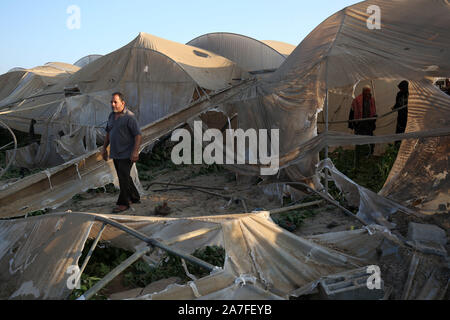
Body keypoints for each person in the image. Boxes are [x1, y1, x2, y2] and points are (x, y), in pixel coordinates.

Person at [102, 92, 142, 213]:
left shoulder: (129, 117)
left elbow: (138, 135)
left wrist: (135, 152)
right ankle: (134, 196)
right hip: (115, 152)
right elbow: (108, 133)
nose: (113, 104)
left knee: (123, 178)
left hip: (127, 153)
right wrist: (104, 148)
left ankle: (123, 203)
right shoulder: (111, 116)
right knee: (124, 176)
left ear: (122, 103)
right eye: (111, 102)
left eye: (115, 102)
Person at [348, 86, 377, 166]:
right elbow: (352, 112)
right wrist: (353, 123)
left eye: (369, 91)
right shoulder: (357, 100)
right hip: (360, 124)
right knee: (359, 140)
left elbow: (374, 111)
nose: (368, 93)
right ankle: (358, 159)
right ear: (363, 92)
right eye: (366, 92)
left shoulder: (372, 100)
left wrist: (373, 120)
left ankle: (369, 155)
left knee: (370, 139)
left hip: (368, 123)